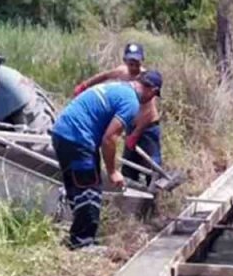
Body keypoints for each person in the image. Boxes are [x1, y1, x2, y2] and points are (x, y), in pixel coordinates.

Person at [51, 70, 163, 249]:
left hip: (63, 133)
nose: (151, 100)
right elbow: (110, 138)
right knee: (89, 189)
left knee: (77, 186)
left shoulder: (119, 87)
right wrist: (112, 171)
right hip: (78, 137)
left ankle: (76, 236)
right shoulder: (131, 101)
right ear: (152, 90)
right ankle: (82, 243)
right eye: (154, 95)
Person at [72, 43, 163, 185]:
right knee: (128, 164)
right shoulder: (122, 72)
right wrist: (84, 85)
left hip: (147, 128)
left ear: (141, 61)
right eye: (131, 63)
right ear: (125, 61)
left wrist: (136, 134)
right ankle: (130, 195)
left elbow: (148, 114)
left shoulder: (146, 81)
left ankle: (153, 195)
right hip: (130, 125)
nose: (133, 67)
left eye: (136, 63)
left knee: (151, 163)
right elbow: (104, 76)